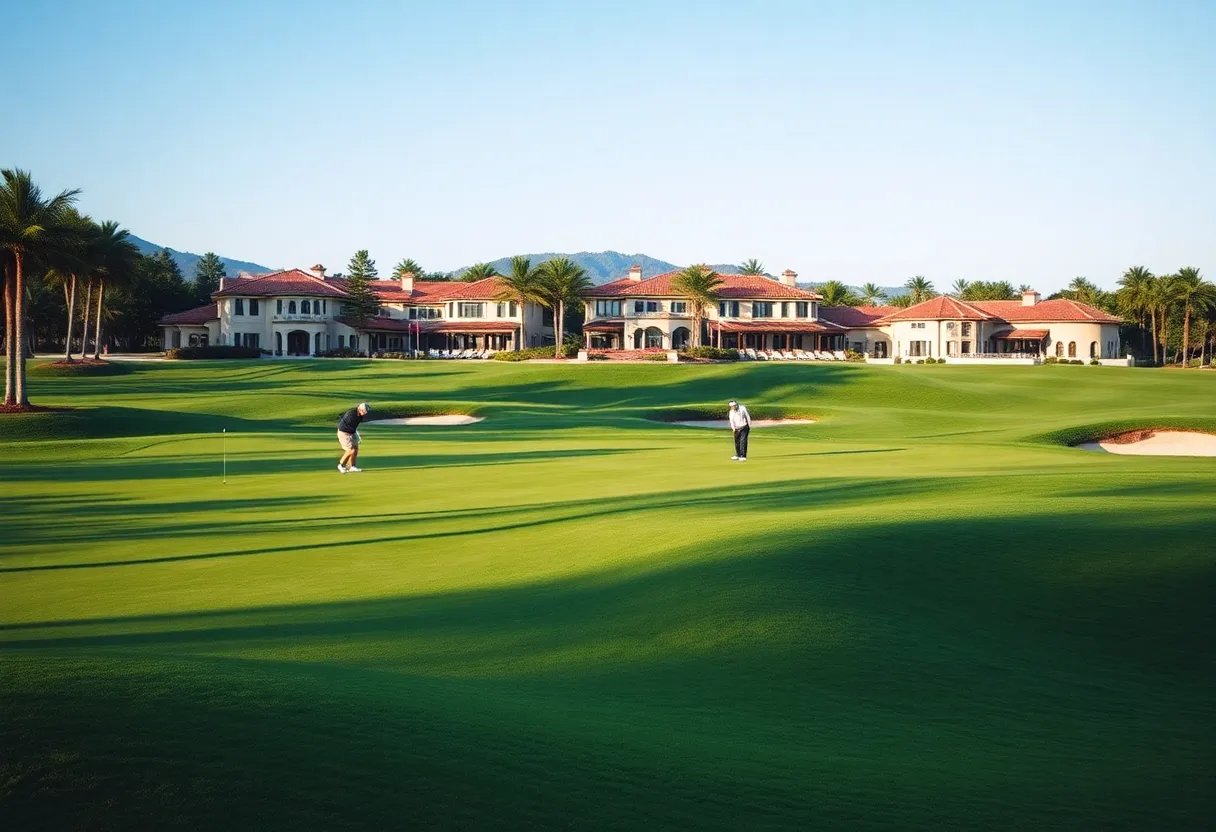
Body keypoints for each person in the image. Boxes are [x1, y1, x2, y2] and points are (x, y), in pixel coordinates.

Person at [337, 402, 371, 473]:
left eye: (366, 412)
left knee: (355, 449)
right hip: (344, 433)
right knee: (350, 450)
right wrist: (356, 435)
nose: (365, 413)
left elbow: (354, 427)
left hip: (351, 432)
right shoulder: (352, 414)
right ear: (359, 409)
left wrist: (356, 434)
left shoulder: (360, 415)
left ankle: (352, 466)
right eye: (364, 411)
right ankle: (341, 465)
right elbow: (348, 427)